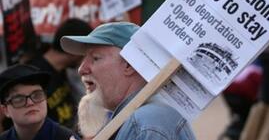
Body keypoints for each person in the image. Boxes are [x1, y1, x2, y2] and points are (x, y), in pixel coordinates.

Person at [60, 21, 196, 140]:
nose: (82, 69)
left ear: (129, 65)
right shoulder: (141, 119)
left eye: (95, 58)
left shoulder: (145, 122)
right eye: (84, 59)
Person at [29, 18, 92, 130]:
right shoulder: (34, 76)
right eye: (85, 51)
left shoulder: (61, 69)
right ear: (72, 49)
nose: (86, 58)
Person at [0, 64, 77, 140]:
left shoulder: (65, 137)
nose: (30, 103)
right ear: (5, 110)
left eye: (37, 95)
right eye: (19, 100)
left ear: (46, 99)